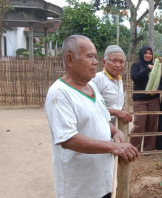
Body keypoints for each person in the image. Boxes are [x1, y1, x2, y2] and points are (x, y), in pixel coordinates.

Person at [44, 35, 139, 198]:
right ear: (70, 59)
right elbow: (68, 139)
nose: (95, 62)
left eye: (95, 56)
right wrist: (113, 147)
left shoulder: (92, 88)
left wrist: (114, 132)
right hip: (80, 189)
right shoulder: (59, 93)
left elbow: (101, 119)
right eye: (89, 56)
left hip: (103, 183)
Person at [91, 45, 132, 125]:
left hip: (111, 125)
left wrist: (122, 109)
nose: (117, 65)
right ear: (104, 62)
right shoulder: (97, 79)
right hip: (96, 125)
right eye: (113, 61)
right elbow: (91, 107)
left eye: (121, 62)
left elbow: (116, 103)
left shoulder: (119, 80)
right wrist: (116, 112)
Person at [130, 46, 160, 151]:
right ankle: (134, 149)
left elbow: (160, 80)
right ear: (141, 54)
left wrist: (157, 89)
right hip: (140, 100)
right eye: (146, 53)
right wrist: (147, 69)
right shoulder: (136, 65)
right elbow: (135, 78)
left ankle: (149, 149)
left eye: (150, 53)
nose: (148, 55)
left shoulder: (156, 66)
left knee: (152, 125)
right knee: (139, 125)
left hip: (153, 99)